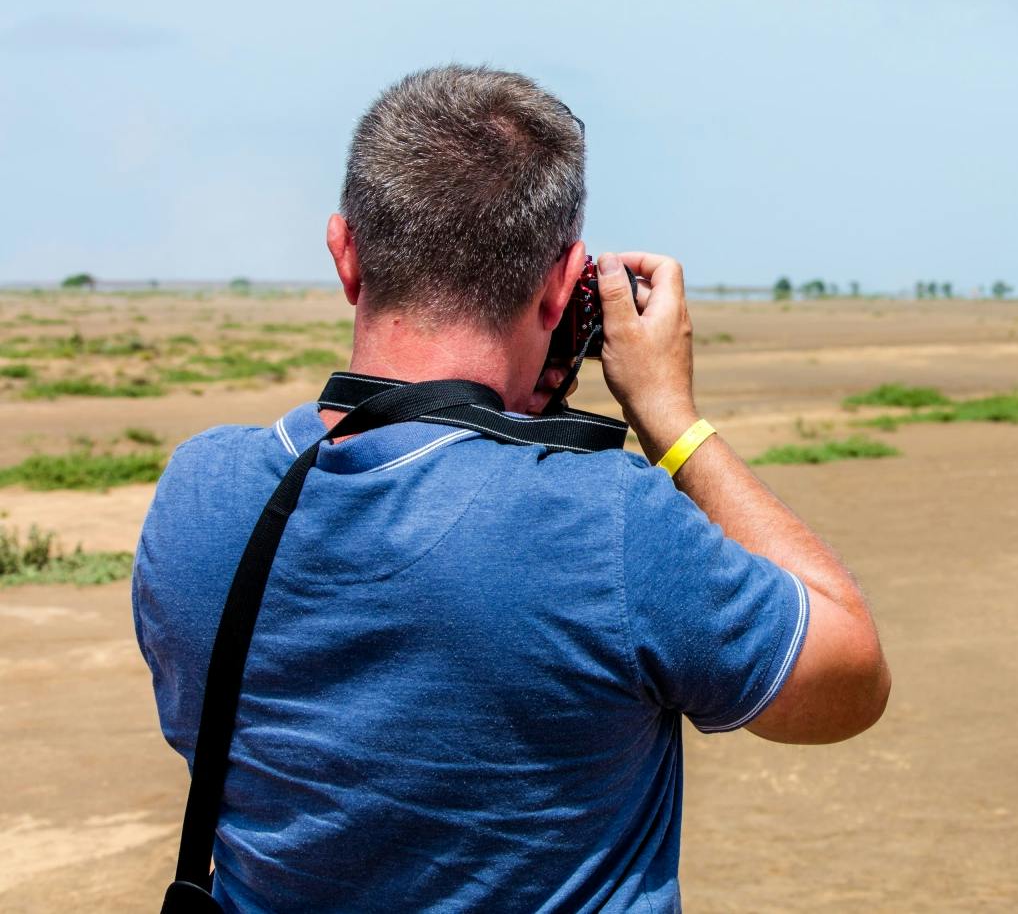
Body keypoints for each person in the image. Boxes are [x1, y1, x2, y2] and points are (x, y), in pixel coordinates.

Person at [133, 65, 889, 911]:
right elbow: (850, 680)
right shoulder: (606, 522)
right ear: (563, 286)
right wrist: (670, 419)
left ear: (345, 254)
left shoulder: (199, 494)